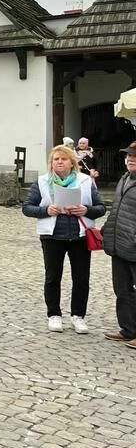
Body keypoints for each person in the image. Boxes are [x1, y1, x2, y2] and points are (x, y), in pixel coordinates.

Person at [22, 144, 106, 334]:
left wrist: (85, 210)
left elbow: (101, 207)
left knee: (81, 278)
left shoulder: (85, 181)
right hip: (52, 236)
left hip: (80, 236)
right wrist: (46, 210)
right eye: (56, 159)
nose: (59, 162)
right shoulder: (42, 182)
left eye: (63, 159)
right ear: (51, 163)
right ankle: (54, 314)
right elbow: (27, 207)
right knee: (53, 277)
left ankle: (78, 316)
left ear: (72, 163)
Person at [103, 141, 136, 348]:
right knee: (122, 289)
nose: (130, 159)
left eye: (135, 157)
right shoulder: (125, 179)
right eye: (129, 156)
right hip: (120, 245)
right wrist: (107, 231)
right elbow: (116, 210)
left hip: (133, 245)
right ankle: (129, 330)